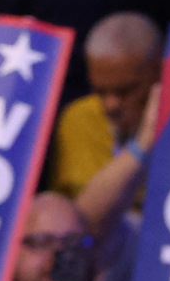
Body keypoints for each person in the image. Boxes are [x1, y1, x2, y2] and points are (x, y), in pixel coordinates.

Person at [45, 11, 162, 200]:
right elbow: (87, 221)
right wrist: (142, 146)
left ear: (159, 71)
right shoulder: (80, 119)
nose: (111, 105)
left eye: (125, 91)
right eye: (100, 91)